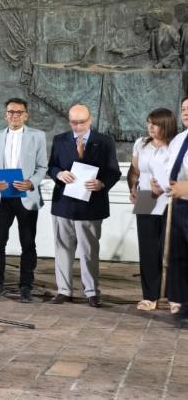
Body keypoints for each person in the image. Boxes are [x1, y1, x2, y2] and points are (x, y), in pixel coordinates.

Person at [48, 103, 121, 307]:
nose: (77, 126)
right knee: (62, 248)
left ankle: (91, 292)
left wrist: (102, 183)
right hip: (63, 203)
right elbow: (52, 166)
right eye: (73, 122)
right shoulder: (60, 140)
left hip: (91, 205)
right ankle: (64, 290)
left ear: (90, 120)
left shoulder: (104, 141)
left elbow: (114, 171)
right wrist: (59, 174)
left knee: (88, 251)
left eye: (81, 122)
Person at [0, 98, 48, 303]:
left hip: (26, 196)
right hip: (2, 196)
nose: (14, 115)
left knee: (28, 242)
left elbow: (42, 167)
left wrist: (31, 183)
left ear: (26, 115)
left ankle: (25, 286)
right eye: (11, 112)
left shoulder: (37, 137)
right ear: (5, 115)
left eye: (19, 112)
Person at [127, 108, 177, 310]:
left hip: (170, 198)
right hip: (146, 198)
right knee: (148, 249)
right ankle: (150, 295)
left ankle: (176, 297)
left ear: (166, 125)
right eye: (148, 123)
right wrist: (132, 187)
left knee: (172, 250)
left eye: (155, 124)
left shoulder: (175, 146)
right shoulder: (142, 144)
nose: (150, 128)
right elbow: (135, 170)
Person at [163, 96, 188, 322]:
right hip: (179, 204)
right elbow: (171, 169)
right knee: (180, 257)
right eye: (183, 109)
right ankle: (183, 306)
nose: (186, 112)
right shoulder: (179, 139)